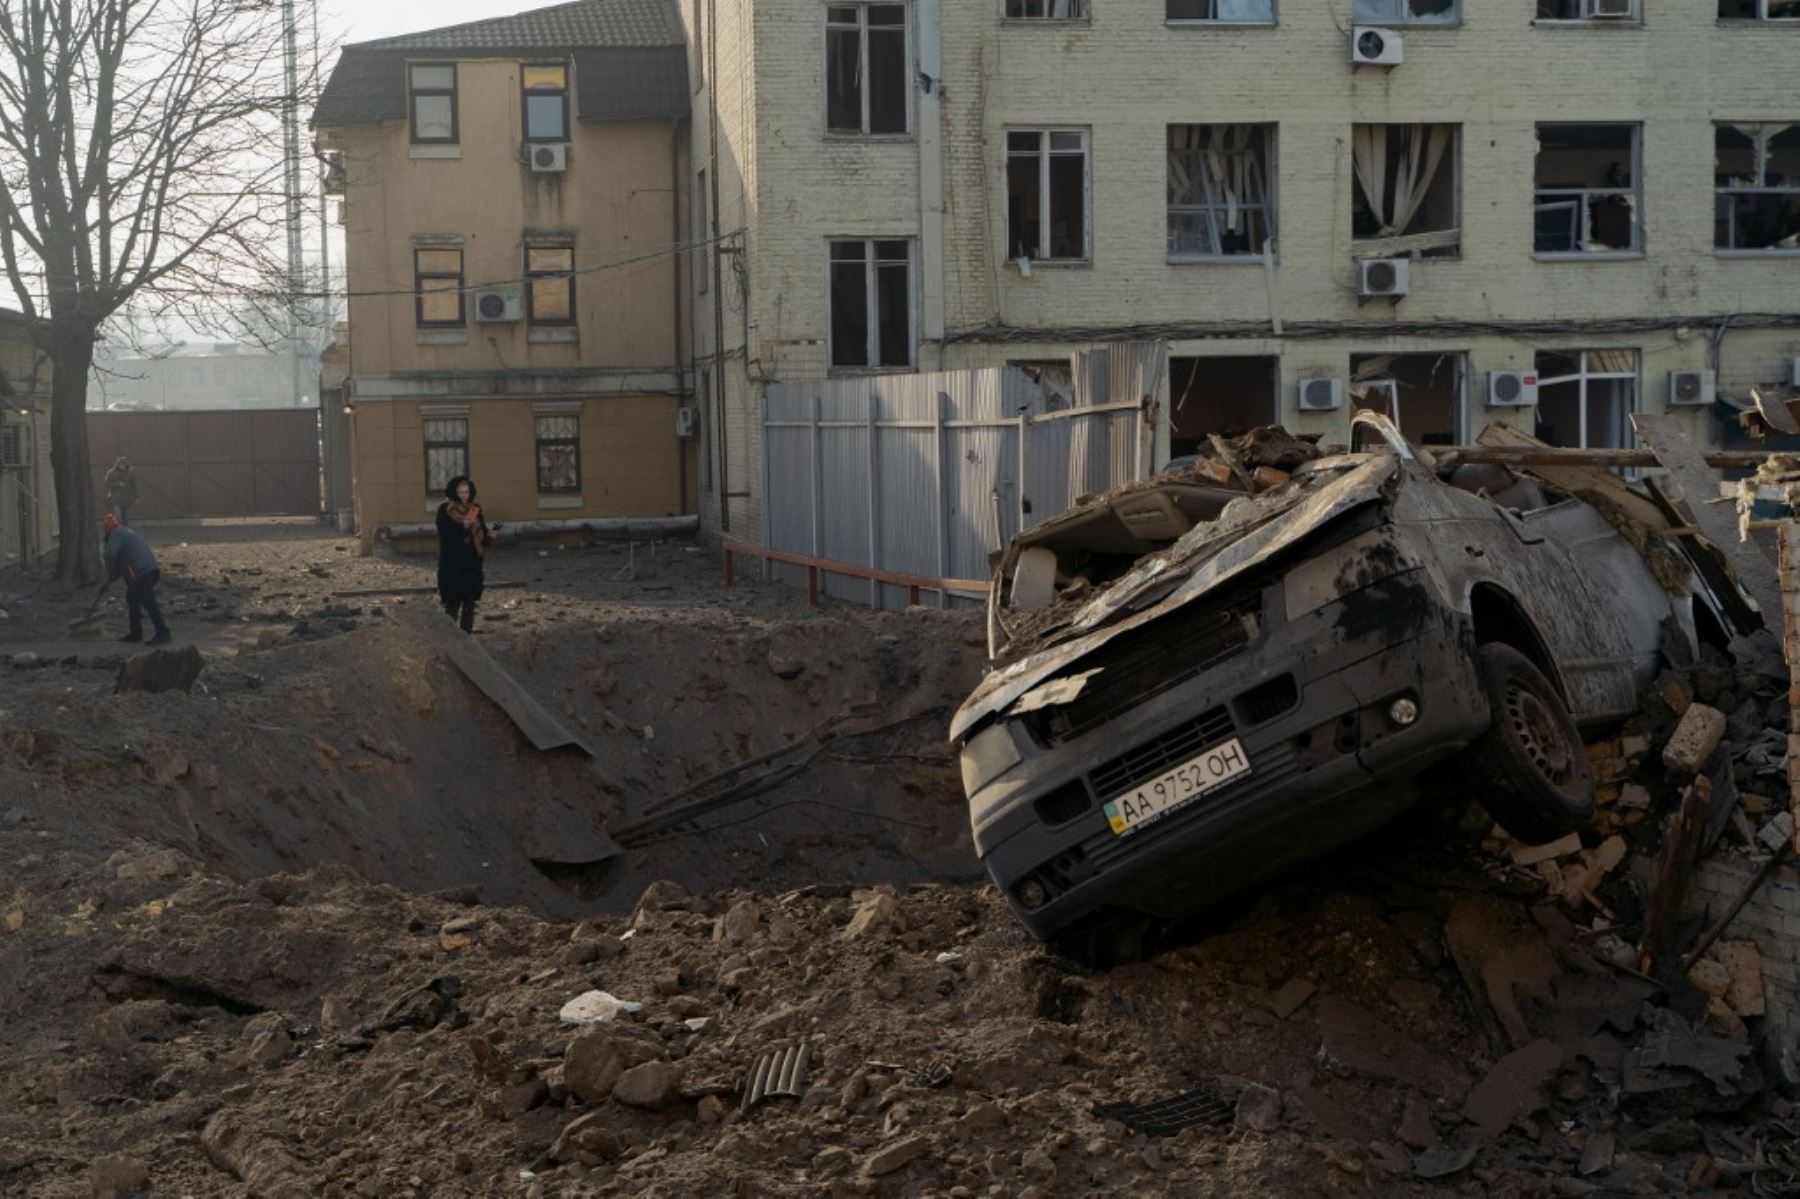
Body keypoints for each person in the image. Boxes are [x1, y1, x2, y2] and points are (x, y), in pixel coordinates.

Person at [98, 513, 170, 644]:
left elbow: (111, 553)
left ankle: (163, 632)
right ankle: (136, 633)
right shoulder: (125, 533)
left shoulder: (116, 533)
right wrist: (109, 580)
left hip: (145, 571)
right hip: (149, 569)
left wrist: (108, 574)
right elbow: (121, 567)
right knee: (132, 597)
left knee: (148, 601)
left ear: (108, 531)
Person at [435, 475, 493, 633]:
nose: (464, 496)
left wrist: (490, 535)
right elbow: (445, 536)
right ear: (453, 492)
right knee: (452, 605)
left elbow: (482, 534)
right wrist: (464, 527)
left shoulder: (475, 509)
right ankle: (450, 641)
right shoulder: (445, 510)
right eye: (460, 492)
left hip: (471, 565)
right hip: (452, 564)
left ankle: (468, 640)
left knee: (469, 604)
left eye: (466, 492)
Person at [103, 457, 138, 526]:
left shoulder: (130, 473)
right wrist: (117, 484)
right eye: (121, 464)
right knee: (118, 517)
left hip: (126, 498)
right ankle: (120, 530)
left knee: (126, 517)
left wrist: (136, 496)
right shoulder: (111, 473)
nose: (122, 466)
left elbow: (133, 485)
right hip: (116, 498)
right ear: (117, 465)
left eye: (124, 464)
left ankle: (126, 531)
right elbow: (107, 484)